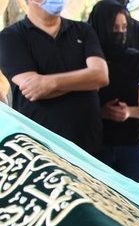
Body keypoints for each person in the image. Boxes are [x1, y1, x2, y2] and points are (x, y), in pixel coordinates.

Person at [0, 0, 109, 157]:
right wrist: (85, 81)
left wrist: (49, 82)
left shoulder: (83, 30)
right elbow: (35, 89)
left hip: (89, 147)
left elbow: (100, 76)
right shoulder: (10, 37)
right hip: (40, 150)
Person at [88, 1, 139, 184]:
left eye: (124, 27)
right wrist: (100, 112)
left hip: (132, 143)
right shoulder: (85, 61)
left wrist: (129, 112)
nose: (120, 33)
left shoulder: (137, 60)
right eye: (114, 28)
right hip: (96, 146)